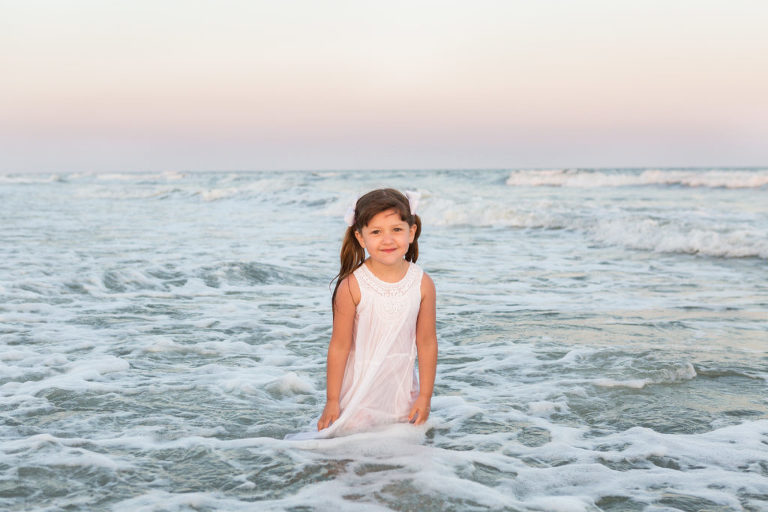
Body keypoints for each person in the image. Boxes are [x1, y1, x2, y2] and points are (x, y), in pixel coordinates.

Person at [315, 188, 437, 437]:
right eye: (376, 232)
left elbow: (426, 343)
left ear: (411, 231)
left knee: (403, 452)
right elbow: (339, 346)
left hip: (401, 395)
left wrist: (425, 397)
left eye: (396, 229)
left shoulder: (422, 283)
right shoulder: (352, 285)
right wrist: (332, 400)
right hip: (360, 395)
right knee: (351, 451)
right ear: (360, 237)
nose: (387, 240)